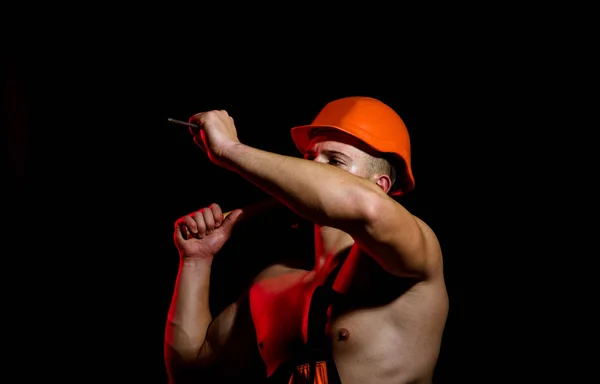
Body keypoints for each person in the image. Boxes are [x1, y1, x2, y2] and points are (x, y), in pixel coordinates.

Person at [164, 96, 449, 384]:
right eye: (310, 159)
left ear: (380, 186)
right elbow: (191, 373)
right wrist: (196, 261)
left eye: (334, 162)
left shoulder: (413, 257)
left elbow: (366, 208)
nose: (313, 168)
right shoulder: (272, 285)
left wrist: (231, 150)